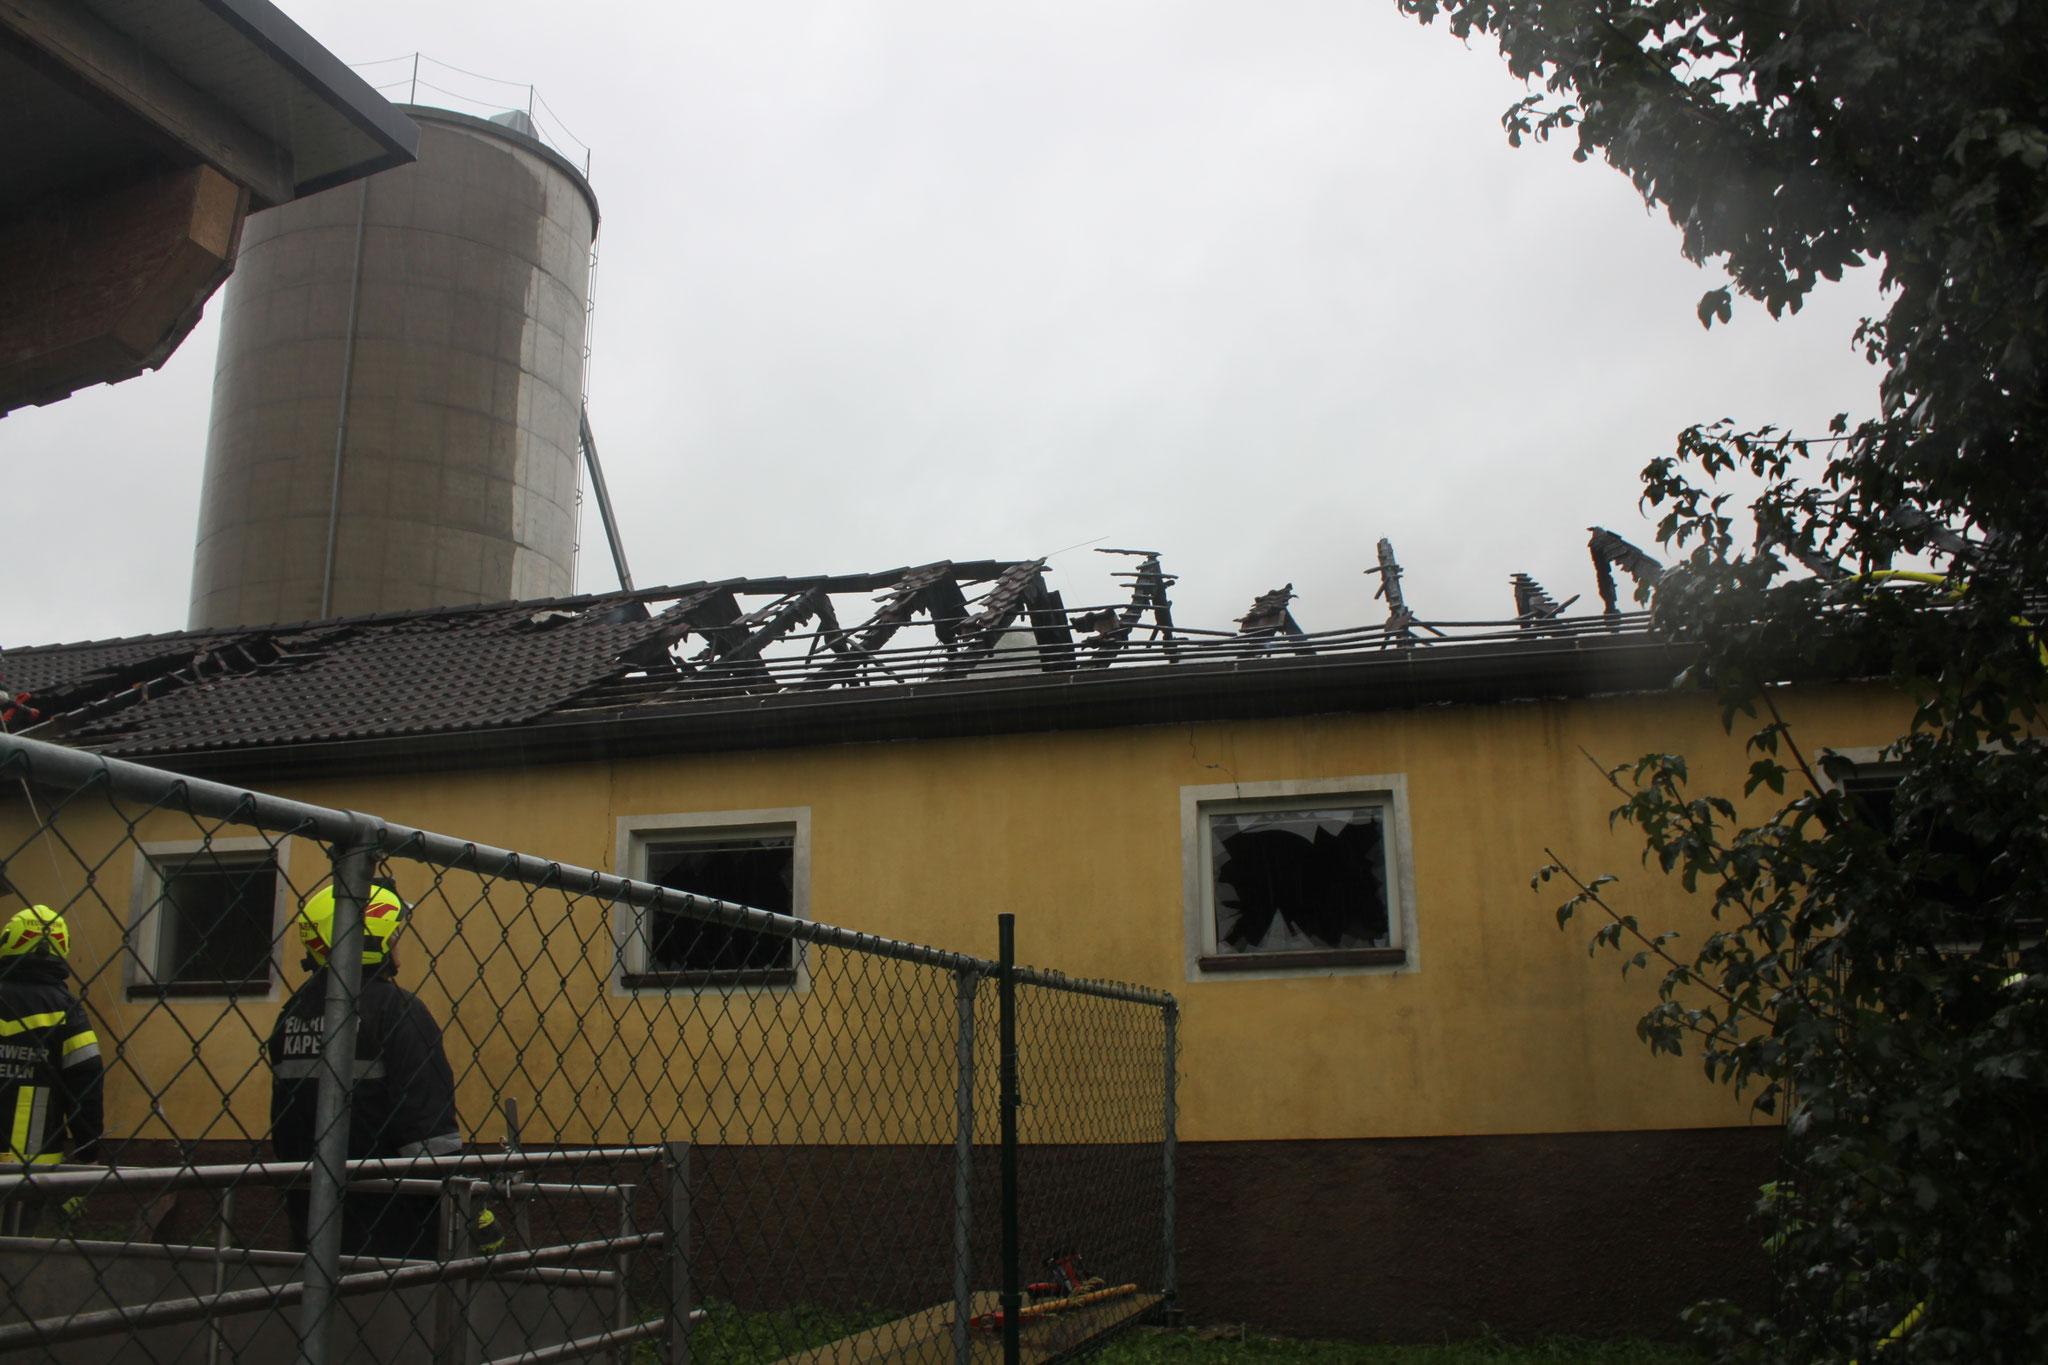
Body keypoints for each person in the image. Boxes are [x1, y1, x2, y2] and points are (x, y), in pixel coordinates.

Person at [268, 875, 462, 1260]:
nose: (398, 945)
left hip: (312, 1220)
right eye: (394, 936)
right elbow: (429, 1133)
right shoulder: (397, 1010)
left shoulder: (291, 1015)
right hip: (396, 1227)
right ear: (372, 941)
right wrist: (466, 1210)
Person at [0, 902, 103, 1234]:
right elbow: (85, 1086)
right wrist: (88, 1155)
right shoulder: (67, 1011)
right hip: (32, 1164)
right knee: (15, 1249)